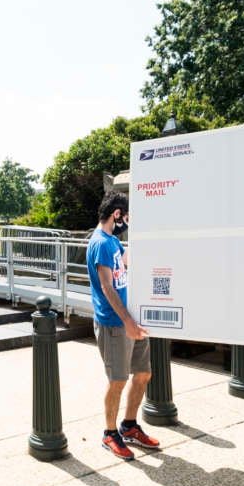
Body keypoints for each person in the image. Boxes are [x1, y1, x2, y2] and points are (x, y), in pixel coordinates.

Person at [87, 192, 159, 461]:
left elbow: (127, 263)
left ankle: (129, 426)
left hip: (132, 319)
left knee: (143, 374)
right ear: (117, 214)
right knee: (118, 380)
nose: (128, 223)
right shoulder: (100, 244)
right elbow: (106, 286)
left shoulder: (113, 242)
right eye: (127, 218)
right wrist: (127, 321)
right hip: (115, 323)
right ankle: (109, 433)